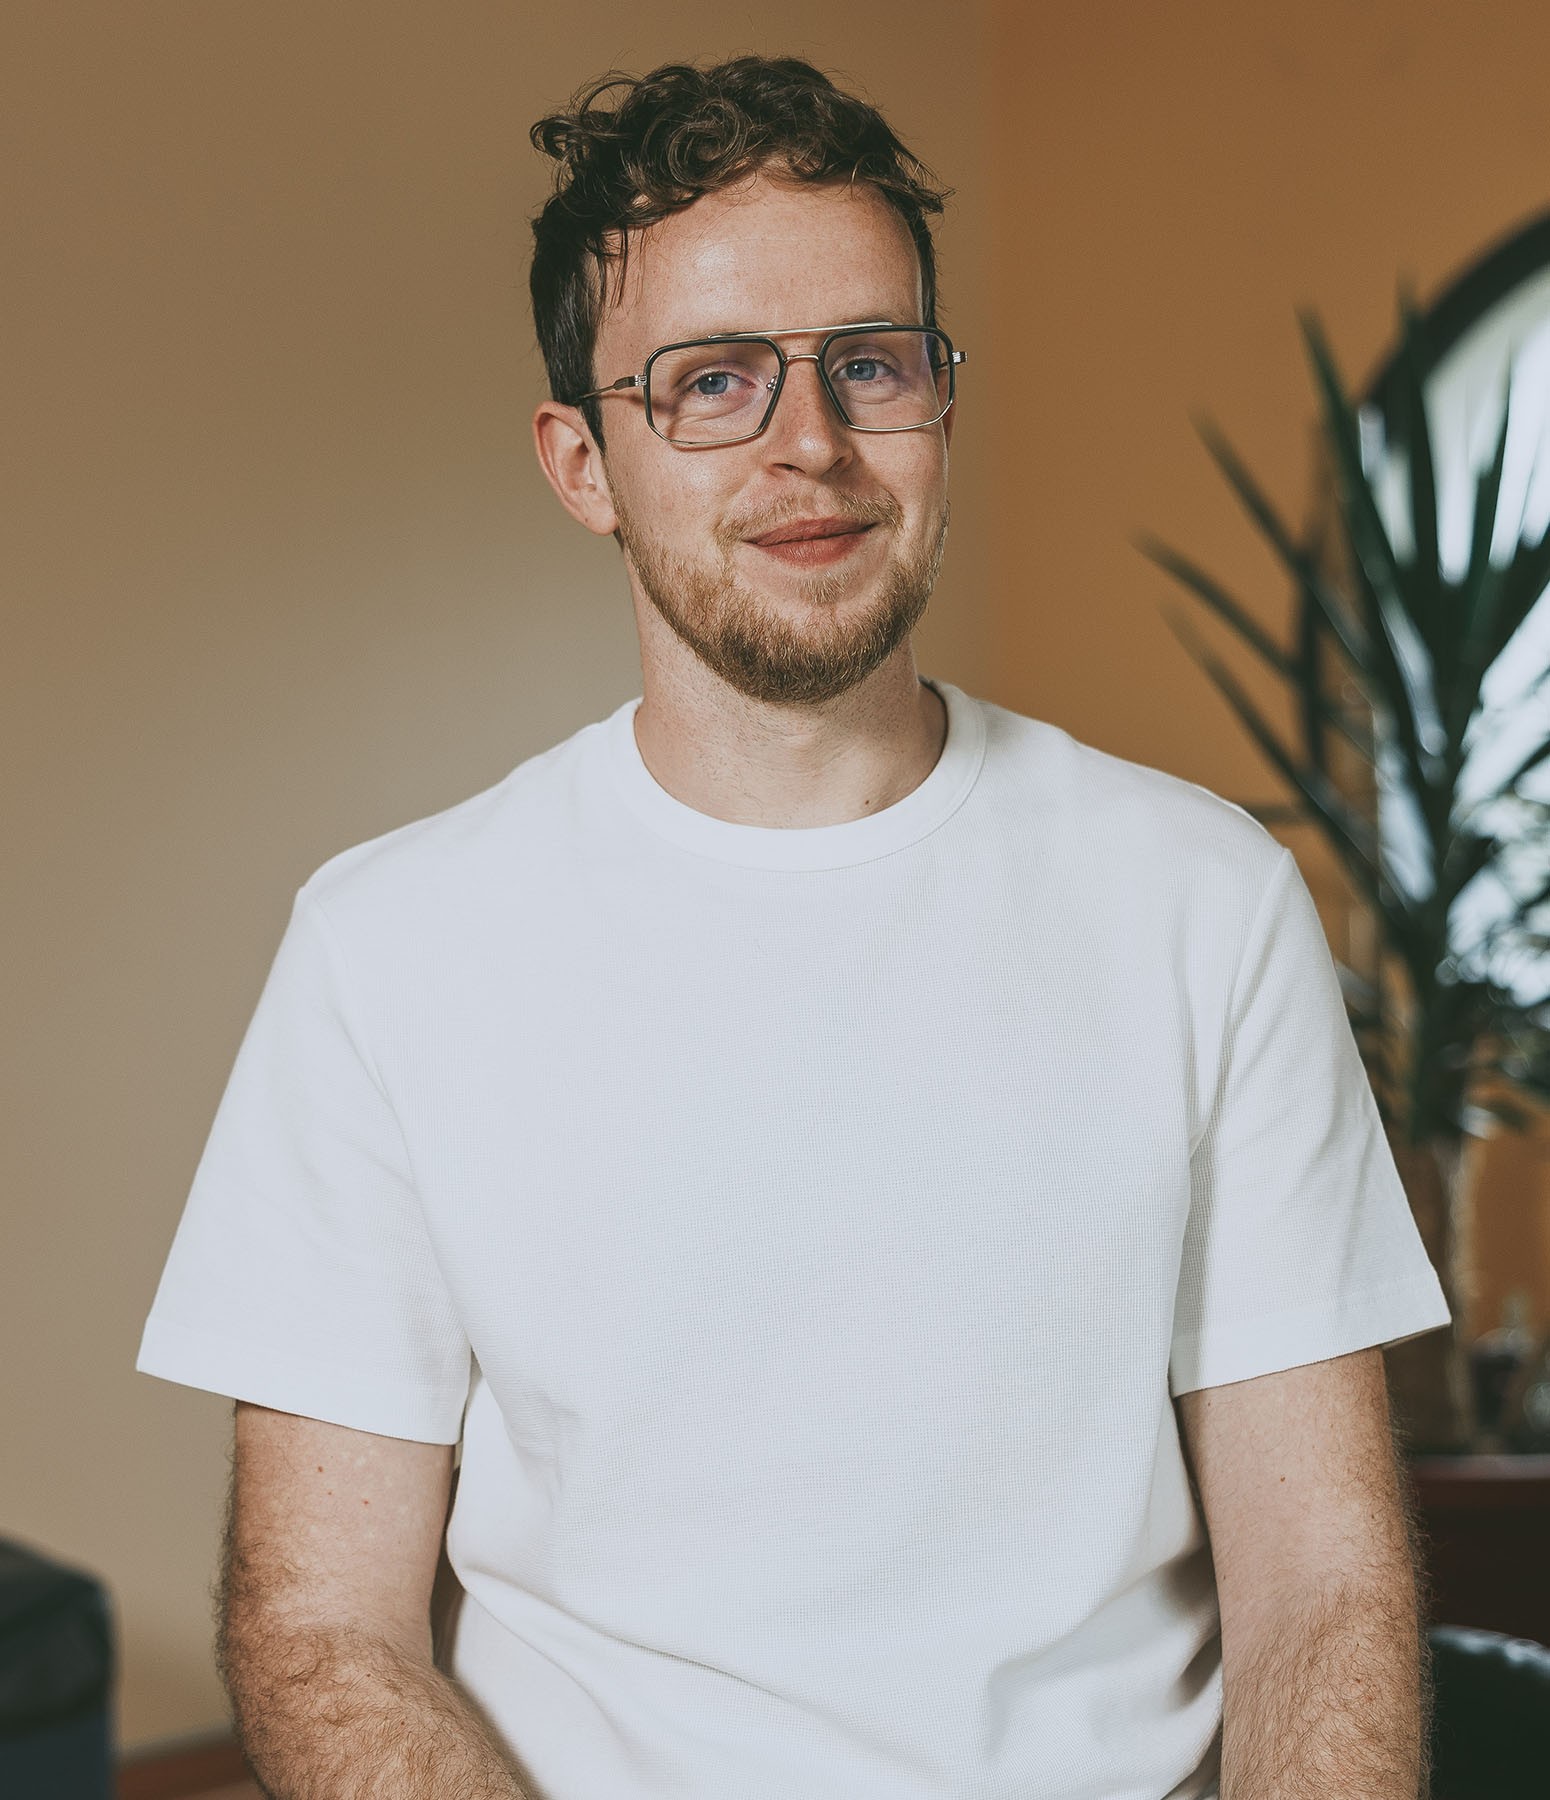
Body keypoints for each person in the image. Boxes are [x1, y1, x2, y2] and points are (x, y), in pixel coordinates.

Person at [136, 54, 1452, 1800]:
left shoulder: (1202, 899)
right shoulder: (388, 944)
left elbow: (1323, 1593)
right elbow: (321, 1623)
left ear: (938, 405)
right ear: (581, 462)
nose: (808, 443)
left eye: (868, 364)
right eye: (711, 382)